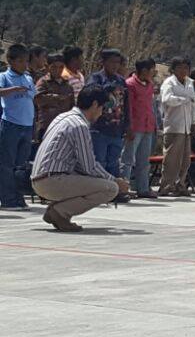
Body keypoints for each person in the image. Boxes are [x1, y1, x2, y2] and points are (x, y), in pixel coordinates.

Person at [31, 85, 131, 231]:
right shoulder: (79, 126)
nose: (101, 113)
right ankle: (59, 212)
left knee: (98, 181)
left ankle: (57, 210)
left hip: (40, 179)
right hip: (51, 180)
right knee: (110, 189)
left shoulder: (62, 117)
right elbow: (89, 167)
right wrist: (115, 181)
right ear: (95, 104)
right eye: (102, 108)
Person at [89, 48, 131, 203]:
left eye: (118, 62)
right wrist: (107, 87)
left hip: (116, 128)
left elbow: (126, 104)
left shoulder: (121, 81)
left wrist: (127, 125)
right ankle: (99, 191)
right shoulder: (96, 78)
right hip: (100, 127)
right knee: (99, 161)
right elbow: (91, 95)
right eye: (112, 62)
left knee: (113, 162)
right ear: (103, 62)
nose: (115, 65)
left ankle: (114, 191)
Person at [0, 44, 37, 210]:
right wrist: (13, 89)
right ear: (10, 61)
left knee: (21, 165)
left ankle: (18, 196)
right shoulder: (4, 77)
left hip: (27, 125)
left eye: (26, 61)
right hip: (11, 124)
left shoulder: (28, 78)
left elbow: (32, 96)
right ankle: (7, 199)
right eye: (20, 61)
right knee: (7, 163)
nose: (24, 64)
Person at [158, 58, 195, 196]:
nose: (183, 71)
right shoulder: (169, 83)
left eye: (186, 68)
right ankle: (166, 185)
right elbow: (167, 99)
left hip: (186, 126)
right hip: (174, 125)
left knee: (185, 159)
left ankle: (180, 184)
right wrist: (183, 100)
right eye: (179, 67)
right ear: (173, 69)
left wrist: (194, 122)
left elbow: (193, 104)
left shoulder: (190, 83)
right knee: (171, 159)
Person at [123, 58, 158, 198]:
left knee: (143, 160)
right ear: (144, 70)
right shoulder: (130, 84)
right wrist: (129, 127)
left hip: (147, 126)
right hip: (135, 127)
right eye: (152, 70)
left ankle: (143, 188)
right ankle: (124, 188)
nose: (154, 73)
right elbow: (128, 107)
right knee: (127, 159)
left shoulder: (150, 85)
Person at [34, 53, 75, 142]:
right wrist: (56, 98)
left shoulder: (67, 85)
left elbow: (72, 106)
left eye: (61, 67)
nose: (58, 70)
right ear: (48, 67)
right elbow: (38, 99)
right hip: (47, 126)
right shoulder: (43, 82)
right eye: (54, 67)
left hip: (63, 127)